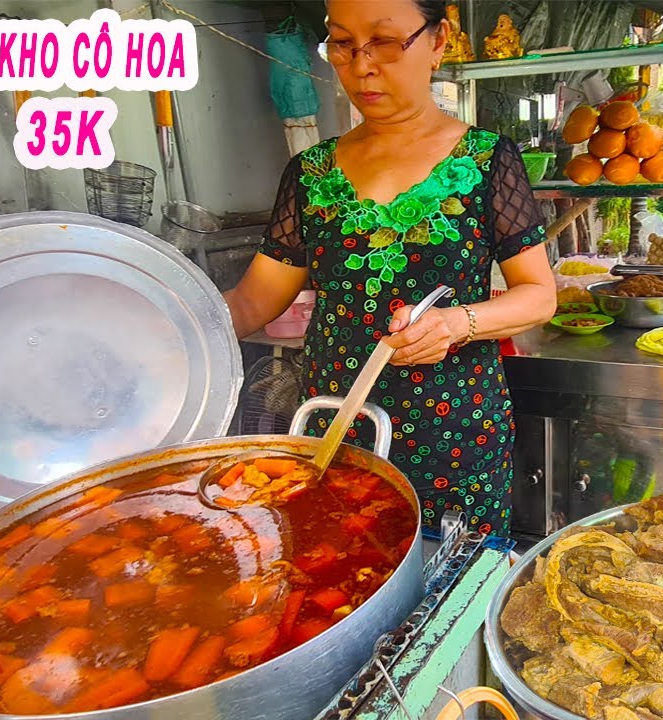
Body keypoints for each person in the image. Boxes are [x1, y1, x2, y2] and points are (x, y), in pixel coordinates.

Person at [225, 0, 556, 536]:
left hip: (455, 435)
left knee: (448, 595)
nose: (361, 66)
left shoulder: (486, 161)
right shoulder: (309, 171)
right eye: (342, 44)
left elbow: (538, 294)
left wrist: (457, 323)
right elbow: (252, 301)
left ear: (438, 42)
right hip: (336, 431)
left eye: (383, 43)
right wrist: (171, 339)